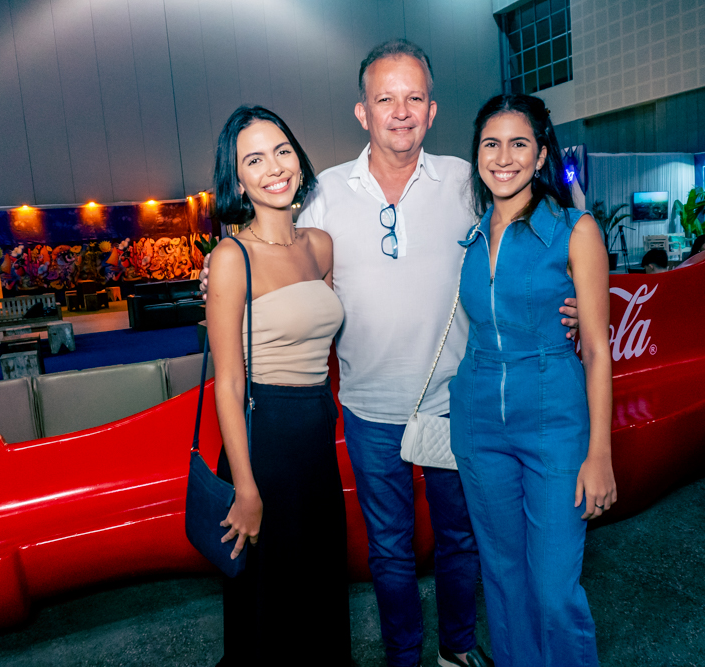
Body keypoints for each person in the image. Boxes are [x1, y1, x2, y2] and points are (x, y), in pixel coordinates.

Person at [203, 40, 580, 667]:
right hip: (366, 409)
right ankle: (403, 658)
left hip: (457, 405)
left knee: (462, 541)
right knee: (389, 549)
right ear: (362, 112)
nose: (400, 112)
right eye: (385, 99)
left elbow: (539, 243)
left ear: (432, 111)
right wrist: (218, 278)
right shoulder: (322, 194)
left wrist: (573, 302)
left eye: (414, 98)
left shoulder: (469, 180)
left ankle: (456, 651)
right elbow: (269, 250)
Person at [449, 93, 615, 667]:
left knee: (552, 588)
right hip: (478, 426)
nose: (503, 157)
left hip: (554, 423)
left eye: (519, 143)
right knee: (502, 579)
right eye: (490, 144)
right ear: (476, 154)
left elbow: (596, 348)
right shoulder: (470, 239)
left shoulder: (576, 230)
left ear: (542, 154)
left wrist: (600, 453)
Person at [204, 105, 353, 666]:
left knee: (317, 577)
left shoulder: (320, 245)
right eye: (254, 159)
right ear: (237, 178)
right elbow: (227, 382)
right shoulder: (229, 257)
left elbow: (323, 330)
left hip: (316, 433)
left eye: (282, 150)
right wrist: (244, 487)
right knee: (271, 590)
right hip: (262, 438)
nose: (274, 167)